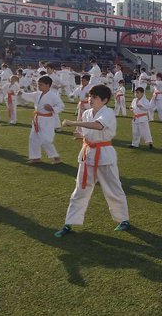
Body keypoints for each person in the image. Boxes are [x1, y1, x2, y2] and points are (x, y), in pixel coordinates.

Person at [55, 84, 131, 237]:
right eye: (90, 96)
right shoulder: (87, 113)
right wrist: (80, 136)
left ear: (104, 100)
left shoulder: (108, 113)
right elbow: (87, 133)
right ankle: (69, 222)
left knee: (113, 188)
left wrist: (73, 123)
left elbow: (98, 126)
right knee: (80, 189)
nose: (90, 99)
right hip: (87, 154)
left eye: (94, 97)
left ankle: (123, 219)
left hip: (104, 155)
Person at [20, 76, 64, 164]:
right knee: (33, 138)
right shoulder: (37, 94)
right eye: (38, 84)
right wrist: (21, 93)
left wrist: (52, 108)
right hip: (37, 118)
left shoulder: (53, 96)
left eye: (40, 85)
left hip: (47, 120)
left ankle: (56, 157)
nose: (38, 86)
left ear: (48, 85)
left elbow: (61, 106)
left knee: (46, 139)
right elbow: (27, 96)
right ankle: (35, 157)